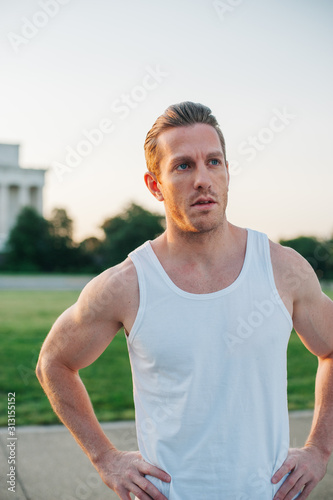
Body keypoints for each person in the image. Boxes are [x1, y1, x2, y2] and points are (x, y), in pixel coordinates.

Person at [36, 101, 333, 500]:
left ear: (228, 172)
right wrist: (106, 459)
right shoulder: (127, 284)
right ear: (154, 184)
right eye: (182, 166)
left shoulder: (283, 269)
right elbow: (53, 363)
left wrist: (319, 449)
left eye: (214, 162)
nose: (202, 179)